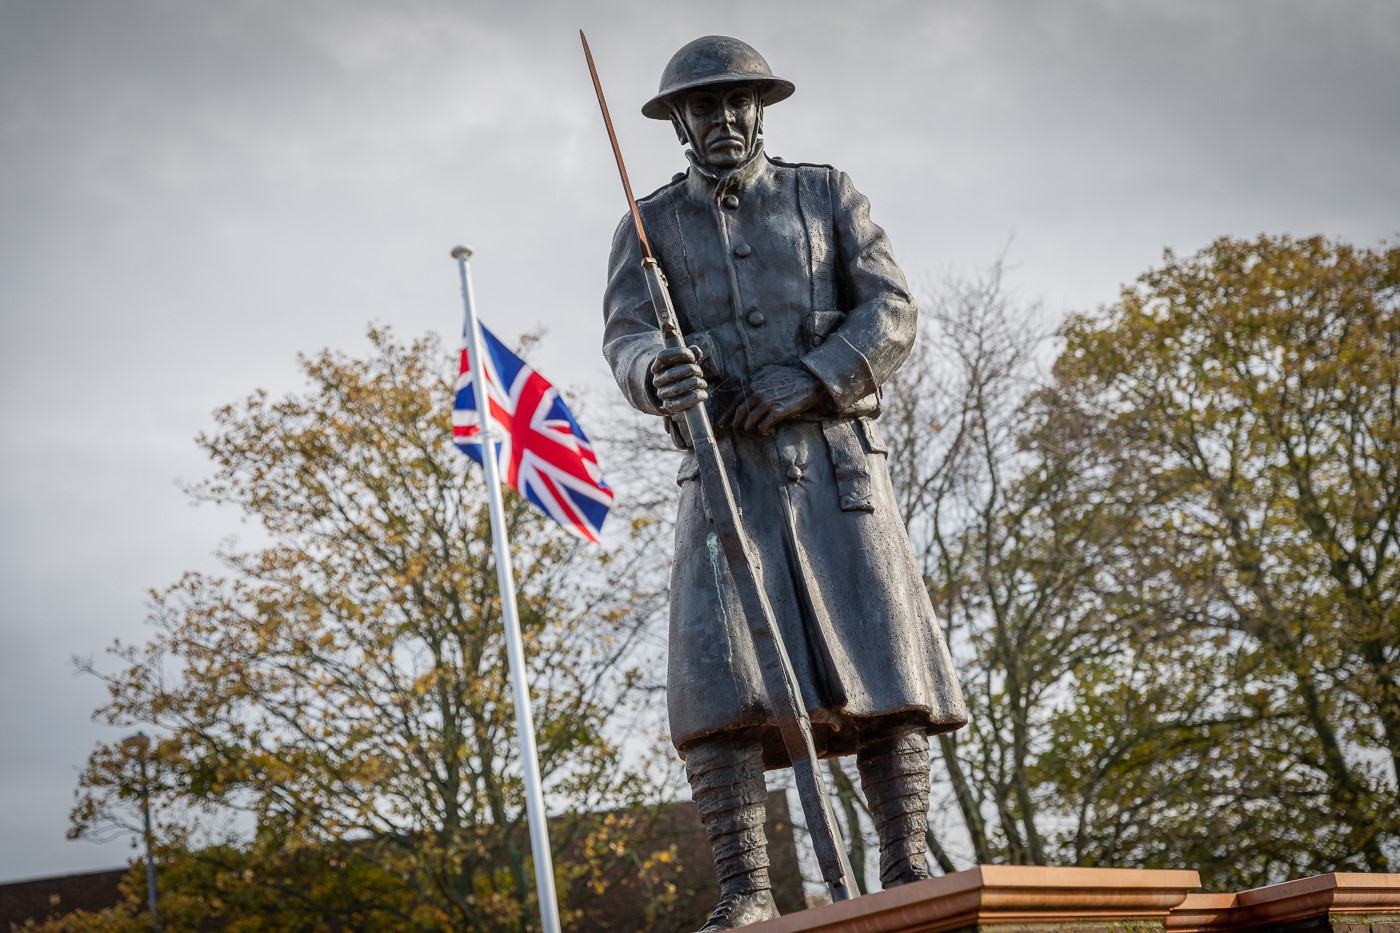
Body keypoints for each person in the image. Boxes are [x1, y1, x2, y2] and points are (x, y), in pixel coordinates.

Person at [602, 35, 967, 931]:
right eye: (702, 107)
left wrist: (813, 375)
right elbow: (625, 335)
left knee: (886, 662)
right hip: (726, 479)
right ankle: (747, 887)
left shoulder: (824, 193)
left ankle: (906, 855)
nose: (721, 119)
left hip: (838, 469)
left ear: (761, 108)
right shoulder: (646, 226)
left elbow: (891, 307)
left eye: (736, 103)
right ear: (678, 122)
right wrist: (659, 374)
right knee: (717, 680)